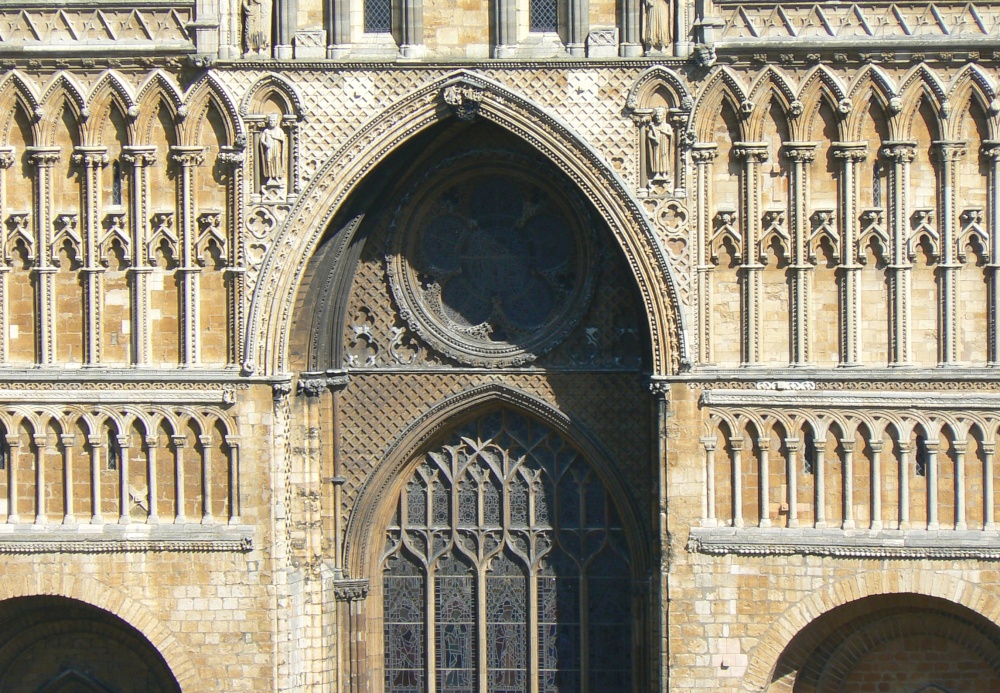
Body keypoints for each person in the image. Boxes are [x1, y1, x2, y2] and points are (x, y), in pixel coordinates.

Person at [259, 114, 286, 191]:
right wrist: (266, 144)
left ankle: (277, 177)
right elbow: (262, 139)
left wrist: (275, 137)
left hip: (276, 148)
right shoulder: (266, 131)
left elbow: (283, 139)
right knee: (268, 161)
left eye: (273, 121)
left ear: (276, 122)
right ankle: (270, 177)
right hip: (269, 148)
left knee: (276, 161)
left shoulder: (279, 130)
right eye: (270, 121)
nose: (271, 122)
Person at [646, 107, 673, 182]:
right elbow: (649, 135)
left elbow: (671, 133)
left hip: (664, 144)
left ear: (663, 116)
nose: (658, 117)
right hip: (656, 145)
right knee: (656, 158)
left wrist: (664, 132)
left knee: (664, 157)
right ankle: (657, 172)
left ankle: (664, 172)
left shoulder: (667, 126)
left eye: (660, 115)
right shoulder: (654, 126)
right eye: (657, 116)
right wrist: (654, 138)